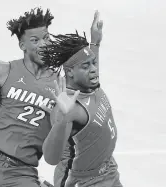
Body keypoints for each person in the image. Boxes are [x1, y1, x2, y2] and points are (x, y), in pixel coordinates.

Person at [0, 8, 98, 187]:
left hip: (22, 172)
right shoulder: (1, 71)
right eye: (35, 40)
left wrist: (95, 44)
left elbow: (92, 85)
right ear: (22, 45)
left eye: (46, 38)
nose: (43, 44)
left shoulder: (61, 87)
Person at [40, 13, 123, 187]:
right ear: (70, 72)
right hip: (84, 181)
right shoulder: (70, 108)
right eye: (86, 66)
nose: (94, 69)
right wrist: (62, 120)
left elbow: (89, 62)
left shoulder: (88, 84)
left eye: (94, 63)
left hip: (107, 170)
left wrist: (95, 43)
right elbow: (51, 157)